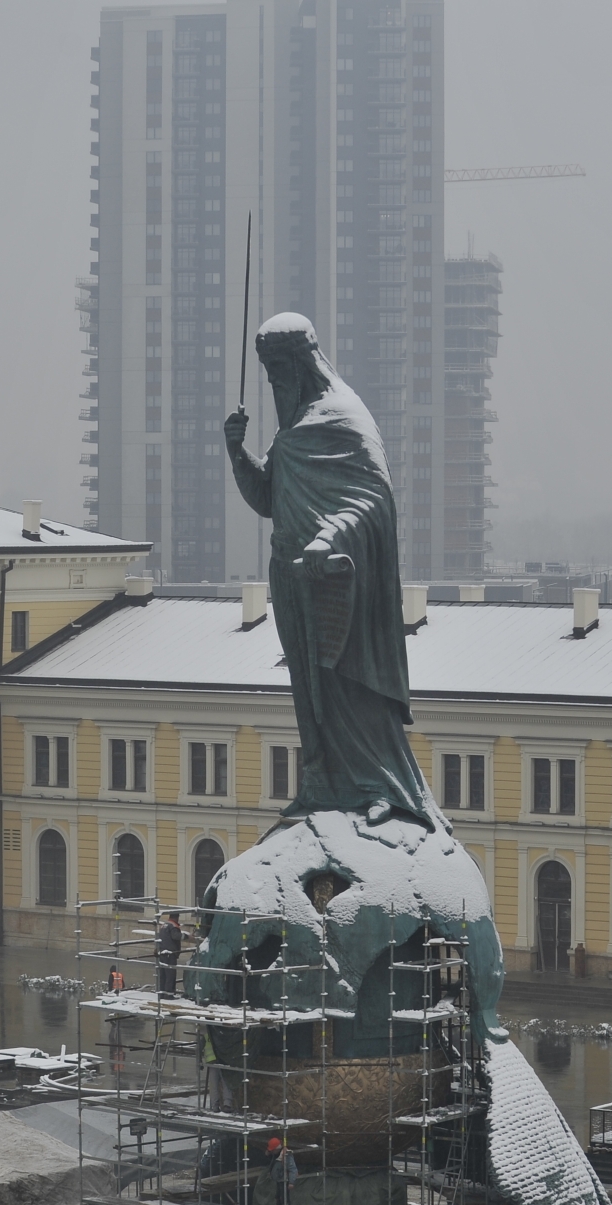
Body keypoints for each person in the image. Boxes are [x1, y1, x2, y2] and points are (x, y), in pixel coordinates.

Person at [222, 312, 441, 830]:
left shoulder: (344, 416)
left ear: (303, 364)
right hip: (293, 581)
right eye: (269, 376)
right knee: (312, 697)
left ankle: (382, 786)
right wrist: (237, 453)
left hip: (339, 580)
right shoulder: (294, 429)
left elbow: (373, 498)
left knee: (352, 693)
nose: (276, 385)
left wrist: (329, 537)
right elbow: (269, 499)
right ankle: (322, 783)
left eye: (280, 374)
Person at [264, 1137, 298, 1205]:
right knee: (278, 1199)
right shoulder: (277, 1155)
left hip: (284, 1181)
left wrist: (291, 1182)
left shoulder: (286, 1155)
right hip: (279, 1180)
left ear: (277, 1149)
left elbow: (292, 1169)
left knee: (284, 1200)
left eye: (272, 1150)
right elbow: (272, 1162)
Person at [156, 912, 183, 997]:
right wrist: (186, 936)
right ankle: (169, 994)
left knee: (163, 974)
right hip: (170, 953)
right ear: (176, 918)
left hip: (162, 952)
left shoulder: (164, 925)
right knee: (170, 974)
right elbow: (176, 936)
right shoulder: (173, 926)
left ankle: (162, 993)